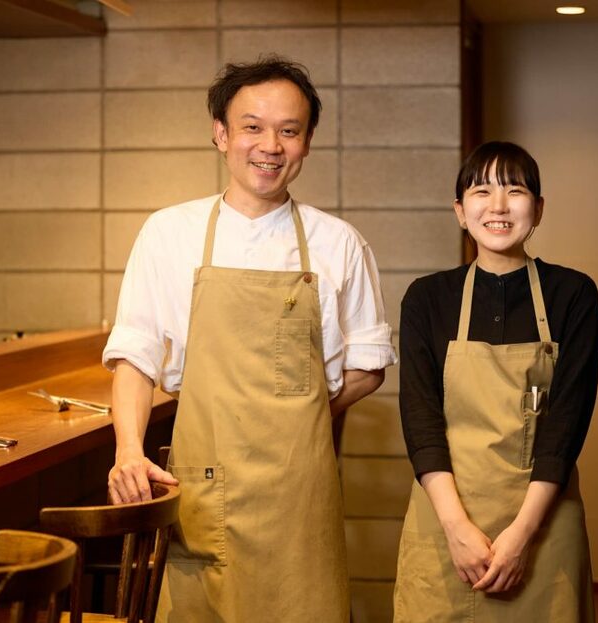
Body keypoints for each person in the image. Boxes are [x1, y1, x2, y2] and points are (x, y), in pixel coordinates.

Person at [102, 56, 396, 622]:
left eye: (289, 131)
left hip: (300, 492)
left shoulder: (340, 244)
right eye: (252, 127)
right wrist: (128, 452)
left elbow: (368, 365)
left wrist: (297, 421)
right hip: (201, 487)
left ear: (308, 142)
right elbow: (135, 356)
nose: (270, 145)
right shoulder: (170, 232)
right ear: (221, 134)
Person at [392, 141, 598, 621]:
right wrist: (456, 527)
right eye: (482, 191)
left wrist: (522, 535)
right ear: (460, 212)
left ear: (539, 209)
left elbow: (566, 425)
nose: (499, 205)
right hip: (444, 515)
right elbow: (420, 419)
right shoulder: (427, 298)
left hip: (542, 519)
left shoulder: (574, 294)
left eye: (516, 190)